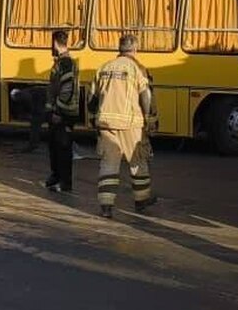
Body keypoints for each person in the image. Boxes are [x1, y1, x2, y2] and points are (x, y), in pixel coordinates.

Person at [89, 34, 156, 218]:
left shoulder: (103, 68)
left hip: (105, 123)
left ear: (119, 48)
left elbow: (91, 98)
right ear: (135, 48)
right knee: (137, 161)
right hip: (130, 123)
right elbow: (146, 94)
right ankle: (142, 200)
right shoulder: (137, 68)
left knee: (108, 164)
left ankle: (106, 206)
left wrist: (94, 116)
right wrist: (149, 116)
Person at [43, 30, 79, 193]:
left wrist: (57, 111)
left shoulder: (66, 63)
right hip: (58, 112)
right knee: (54, 145)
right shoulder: (61, 62)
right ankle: (56, 176)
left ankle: (65, 183)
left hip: (64, 113)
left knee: (63, 148)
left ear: (55, 43)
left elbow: (67, 89)